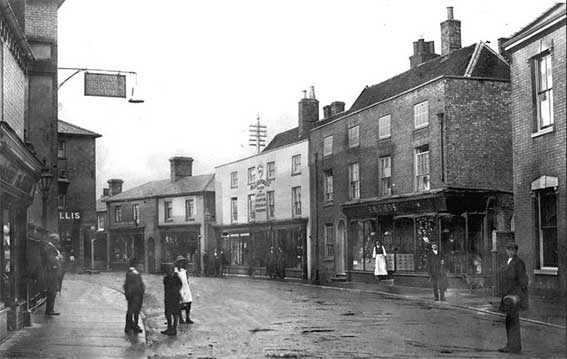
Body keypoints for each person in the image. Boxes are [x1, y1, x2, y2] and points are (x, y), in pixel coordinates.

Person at [498, 242, 528, 353]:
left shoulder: (518, 263)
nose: (511, 252)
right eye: (509, 249)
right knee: (509, 321)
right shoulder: (509, 262)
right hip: (508, 296)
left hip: (513, 297)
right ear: (506, 250)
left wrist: (517, 296)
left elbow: (523, 280)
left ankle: (513, 346)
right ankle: (511, 345)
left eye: (513, 250)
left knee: (513, 322)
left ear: (516, 251)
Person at [43, 233, 63, 316]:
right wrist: (58, 257)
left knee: (53, 291)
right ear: (52, 239)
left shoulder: (51, 247)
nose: (57, 242)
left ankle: (50, 309)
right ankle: (49, 310)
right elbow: (51, 259)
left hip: (53, 272)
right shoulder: (49, 248)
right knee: (52, 291)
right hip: (51, 272)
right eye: (56, 240)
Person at [123, 258, 145, 334]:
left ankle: (134, 325)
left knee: (136, 311)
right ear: (135, 265)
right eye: (139, 264)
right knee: (131, 311)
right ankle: (128, 326)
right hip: (134, 295)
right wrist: (129, 295)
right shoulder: (132, 273)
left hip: (138, 295)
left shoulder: (134, 273)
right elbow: (128, 286)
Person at [161, 263, 182, 336]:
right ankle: (169, 327)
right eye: (167, 270)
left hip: (175, 298)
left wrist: (176, 292)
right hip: (168, 298)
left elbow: (180, 286)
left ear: (172, 270)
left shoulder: (176, 278)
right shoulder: (166, 278)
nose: (167, 272)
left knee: (175, 313)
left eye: (168, 270)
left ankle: (174, 328)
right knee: (168, 313)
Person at [174, 256, 194, 324]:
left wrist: (187, 285)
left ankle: (188, 317)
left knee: (189, 302)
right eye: (180, 262)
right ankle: (181, 318)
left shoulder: (184, 271)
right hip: (179, 288)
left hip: (186, 288)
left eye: (182, 262)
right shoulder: (175, 270)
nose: (181, 263)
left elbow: (187, 279)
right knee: (180, 303)